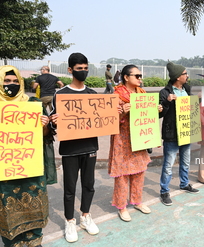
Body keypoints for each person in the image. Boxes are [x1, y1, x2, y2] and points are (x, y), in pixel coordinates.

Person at [0, 65, 55, 247]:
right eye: (7, 81)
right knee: (8, 220)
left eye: (16, 81)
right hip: (5, 176)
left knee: (34, 216)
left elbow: (46, 135)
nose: (12, 84)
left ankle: (35, 243)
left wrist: (44, 124)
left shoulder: (33, 105)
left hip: (31, 172)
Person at [49, 53, 99, 243]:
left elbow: (102, 120)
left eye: (86, 68)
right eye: (79, 69)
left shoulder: (92, 94)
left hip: (90, 147)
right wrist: (53, 123)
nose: (83, 71)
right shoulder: (60, 95)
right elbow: (52, 125)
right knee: (69, 188)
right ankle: (70, 221)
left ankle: (85, 215)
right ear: (70, 70)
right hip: (70, 149)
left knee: (89, 185)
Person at [108, 65, 162, 221]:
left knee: (139, 171)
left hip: (139, 138)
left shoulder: (142, 94)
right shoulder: (116, 95)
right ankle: (122, 206)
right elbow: (109, 121)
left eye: (140, 76)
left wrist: (156, 109)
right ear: (126, 77)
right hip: (122, 139)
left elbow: (148, 118)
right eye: (136, 76)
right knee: (122, 174)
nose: (140, 79)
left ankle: (137, 201)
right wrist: (123, 111)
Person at [159, 62, 199, 206]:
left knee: (186, 162)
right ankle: (164, 191)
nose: (187, 76)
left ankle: (184, 183)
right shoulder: (165, 92)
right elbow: (160, 114)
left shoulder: (187, 89)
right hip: (171, 134)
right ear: (177, 77)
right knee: (168, 165)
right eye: (185, 74)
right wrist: (167, 102)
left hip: (186, 132)